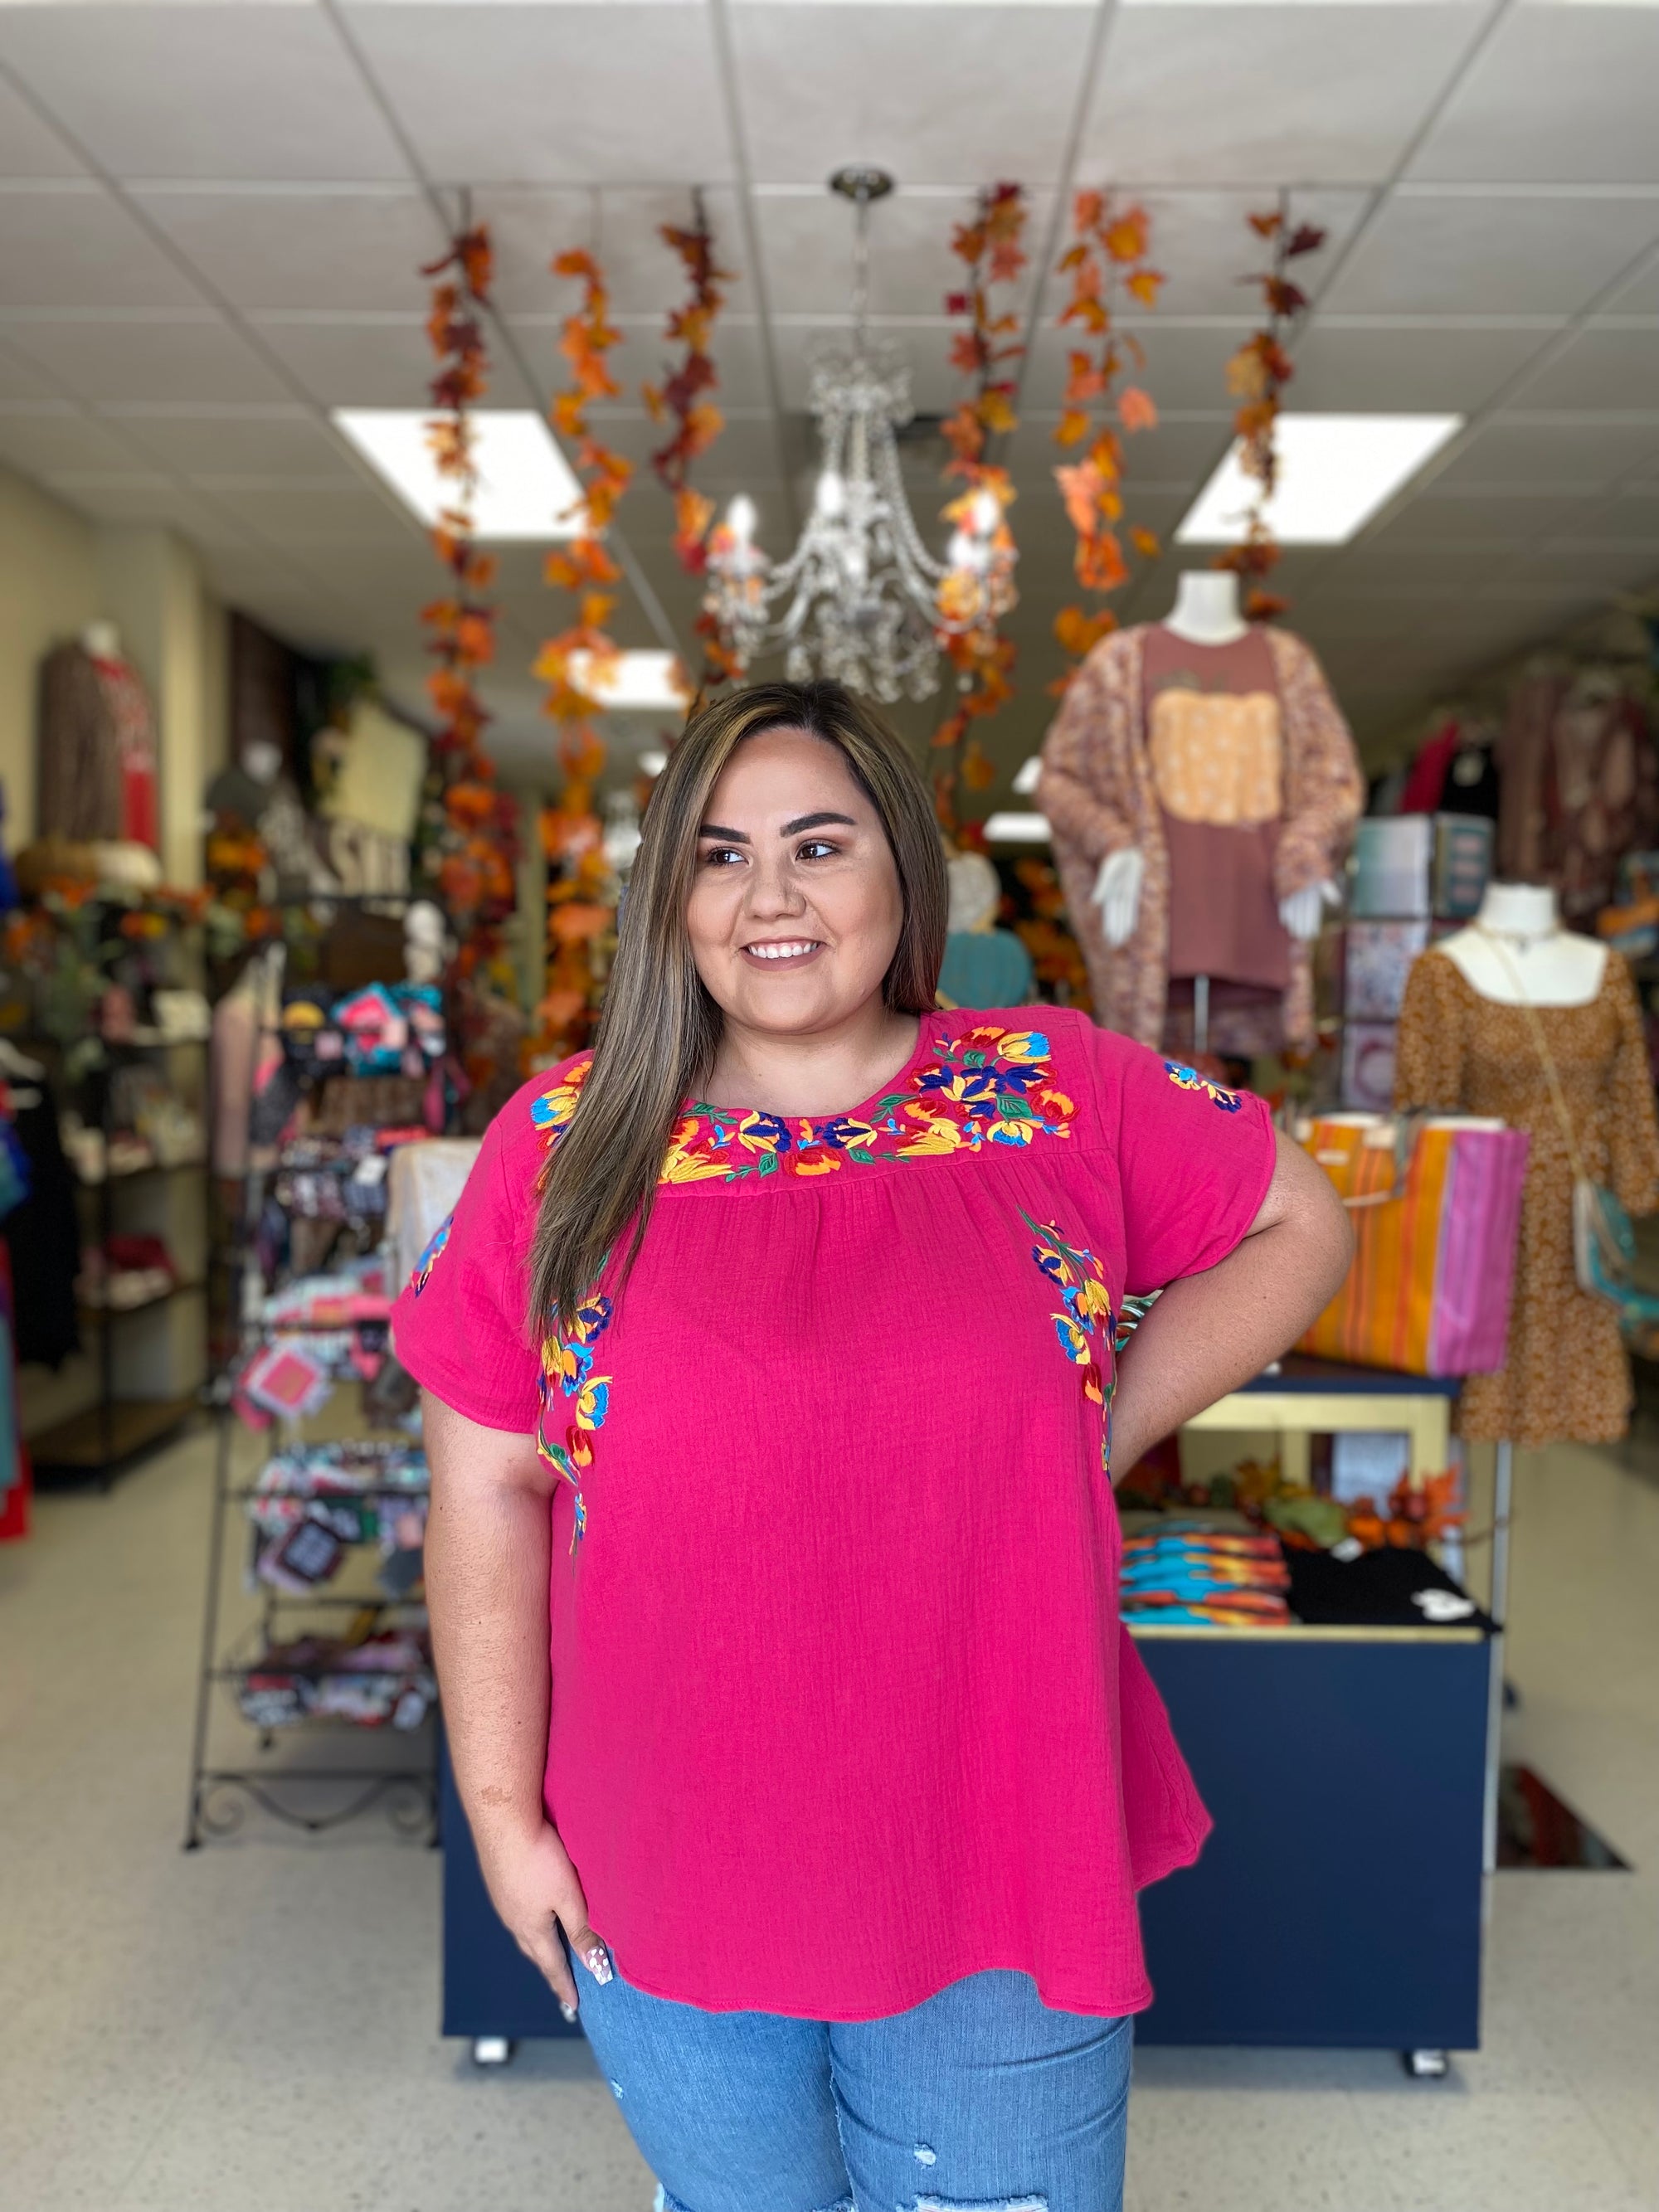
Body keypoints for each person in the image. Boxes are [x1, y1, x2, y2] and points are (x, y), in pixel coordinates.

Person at [392, 680, 1351, 2212]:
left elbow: (1301, 1218)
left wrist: (1093, 1422)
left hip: (994, 1839)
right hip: (668, 1856)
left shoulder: (1054, 1091)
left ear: (902, 869)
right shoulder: (563, 1143)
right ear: (668, 896)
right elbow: (484, 1486)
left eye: (817, 845)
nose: (767, 896)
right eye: (716, 855)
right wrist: (504, 1823)